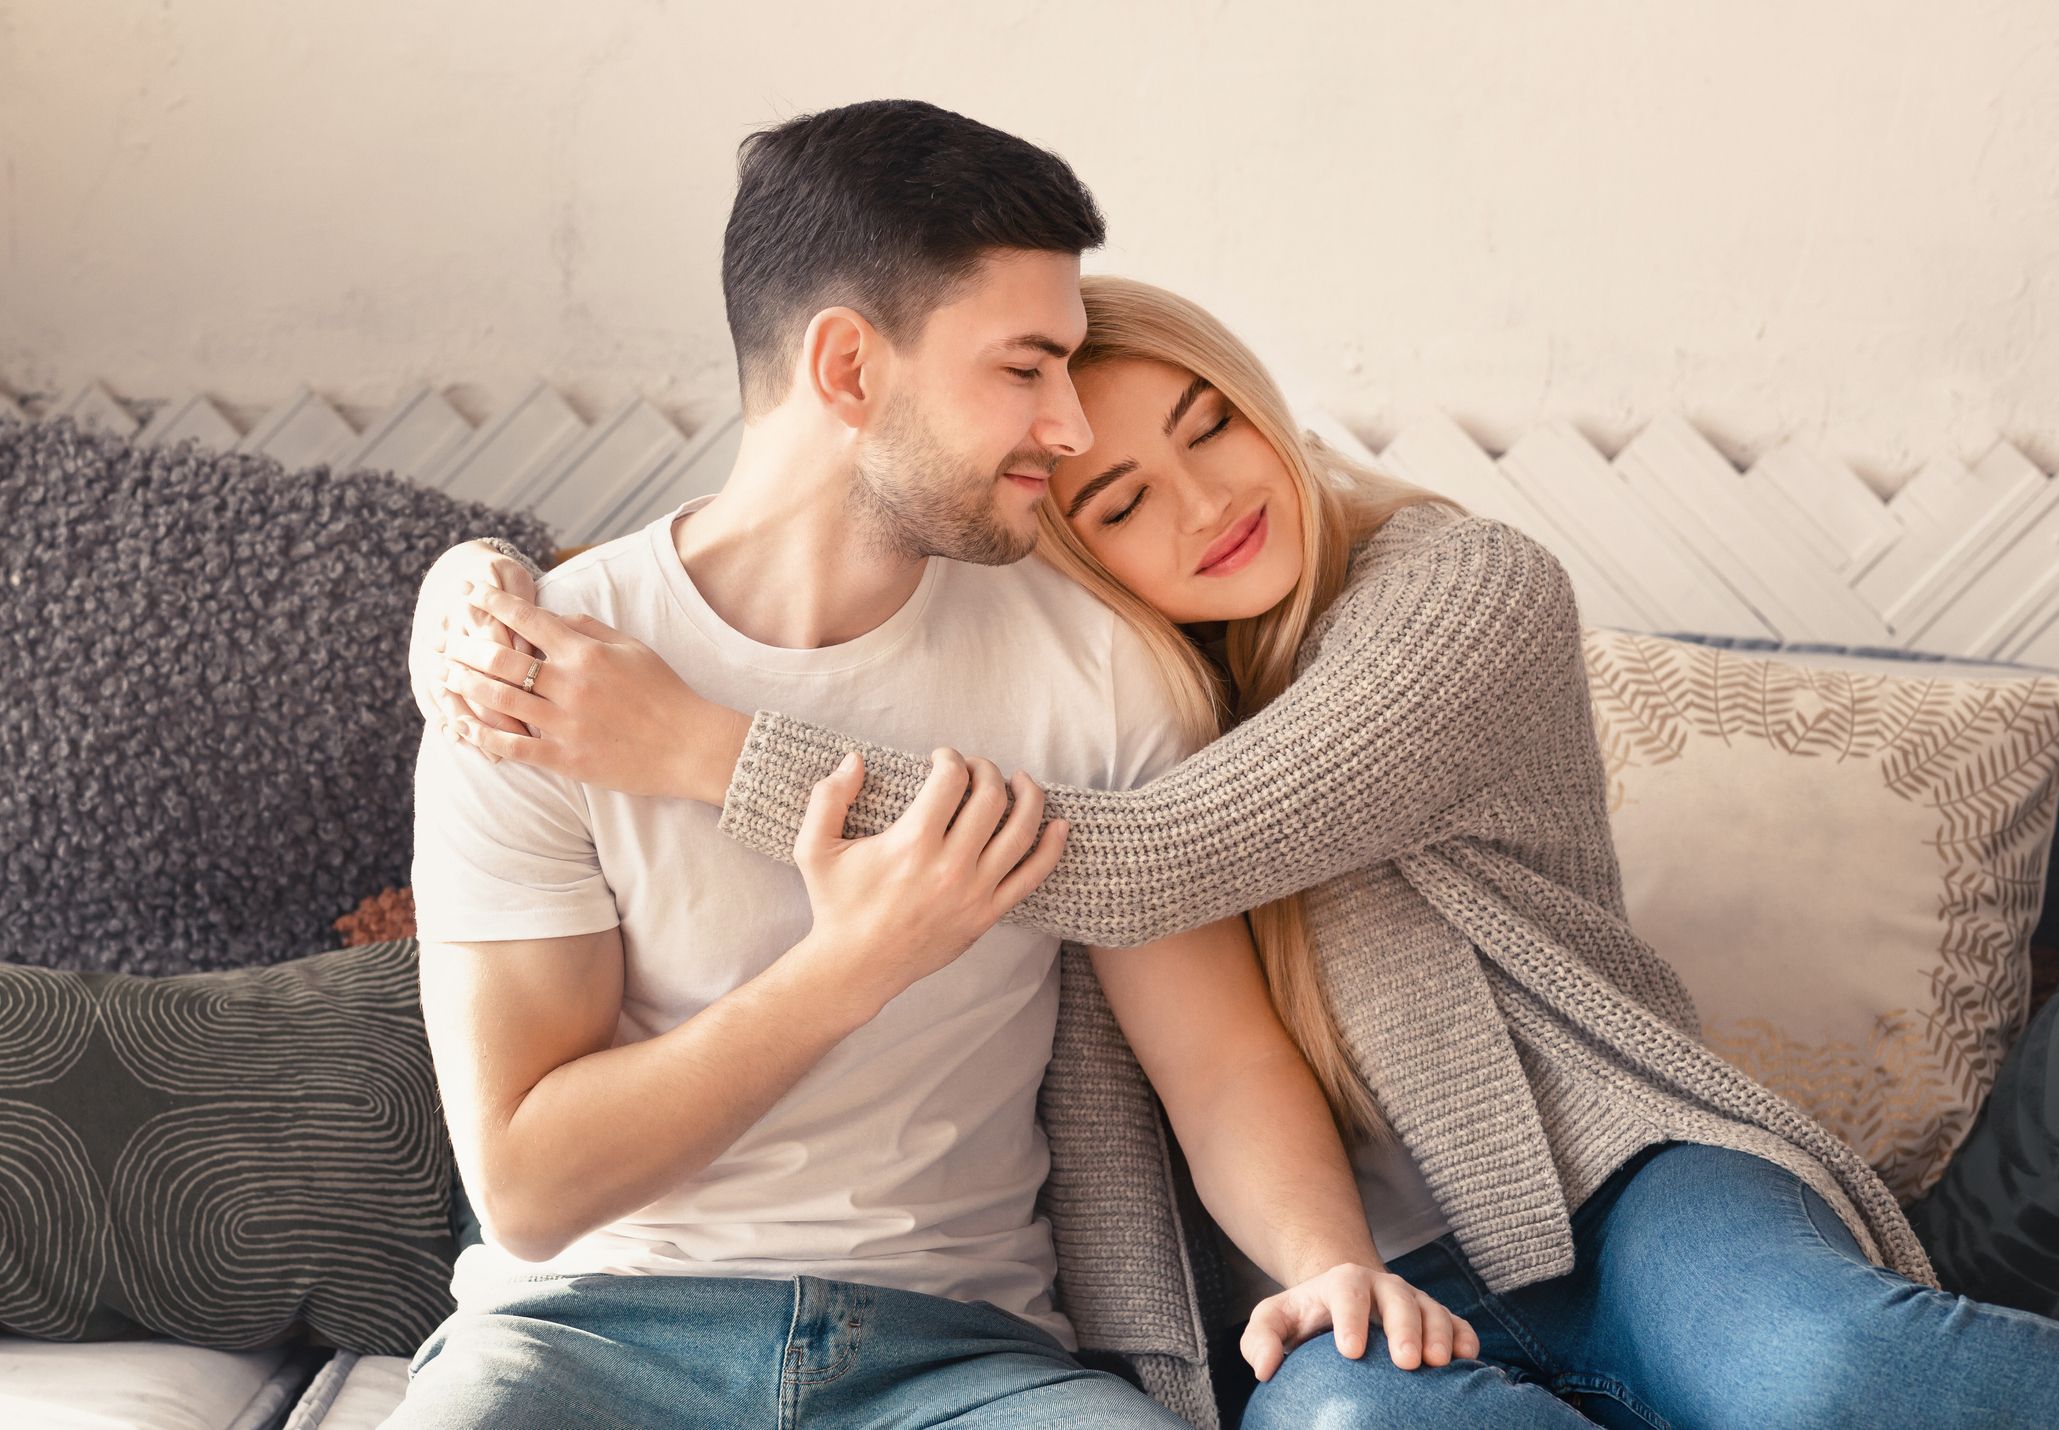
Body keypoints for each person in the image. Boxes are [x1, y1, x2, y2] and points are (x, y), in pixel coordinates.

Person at [416, 269, 2059, 1428]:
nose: (1205, 500)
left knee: (1819, 1379)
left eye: (1208, 424)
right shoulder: (1085, 689)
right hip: (1318, 1279)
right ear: (1056, 555)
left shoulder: (1454, 590)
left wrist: (701, 751)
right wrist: (467, 597)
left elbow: (1151, 857)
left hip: (1611, 1188)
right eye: (1120, 501)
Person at [396, 99, 1480, 1430]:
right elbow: (528, 1181)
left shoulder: (1095, 671)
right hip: (584, 1338)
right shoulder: (539, 680)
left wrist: (1331, 1270)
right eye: (1025, 369)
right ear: (850, 370)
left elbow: (1218, 1061)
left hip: (956, 1360)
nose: (1071, 426)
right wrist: (850, 967)